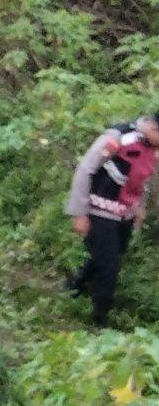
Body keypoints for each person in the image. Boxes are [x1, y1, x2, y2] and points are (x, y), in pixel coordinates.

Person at [66, 114, 159, 327]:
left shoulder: (152, 148)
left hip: (124, 214)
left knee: (109, 255)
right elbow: (85, 170)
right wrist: (79, 212)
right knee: (110, 267)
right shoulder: (118, 137)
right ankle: (99, 321)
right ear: (153, 128)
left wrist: (139, 208)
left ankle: (74, 286)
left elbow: (142, 179)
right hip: (100, 211)